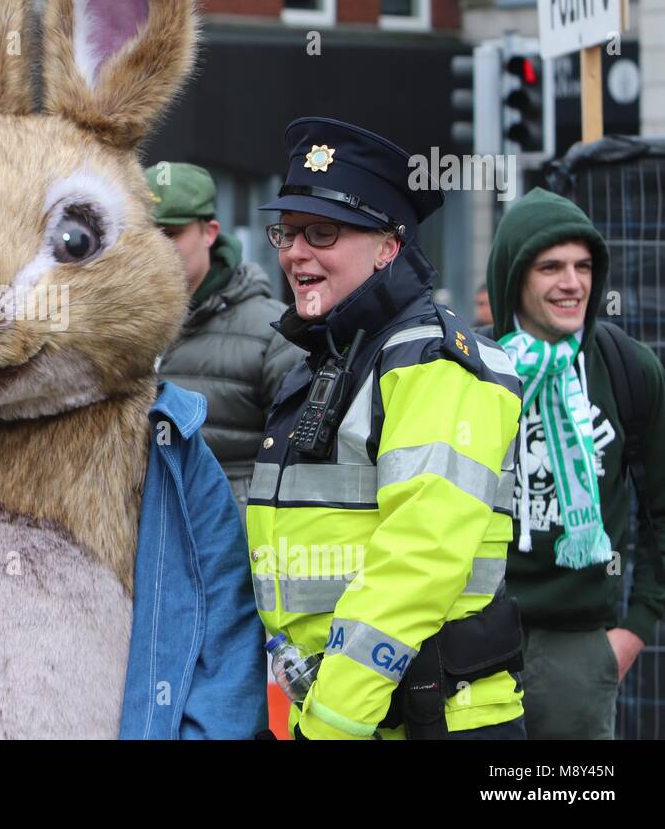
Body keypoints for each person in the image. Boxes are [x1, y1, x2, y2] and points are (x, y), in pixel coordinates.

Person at [248, 118, 526, 739]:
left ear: (387, 247)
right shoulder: (335, 355)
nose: (295, 253)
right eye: (288, 233)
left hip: (425, 721)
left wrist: (330, 720)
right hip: (353, 715)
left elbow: (418, 560)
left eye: (323, 232)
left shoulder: (431, 362)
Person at [484, 189, 665, 740]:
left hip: (581, 649)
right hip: (475, 637)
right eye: (551, 267)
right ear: (515, 276)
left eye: (584, 266)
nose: (573, 283)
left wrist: (634, 630)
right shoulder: (470, 368)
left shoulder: (628, 368)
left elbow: (660, 512)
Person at [150, 163, 304, 511]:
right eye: (145, 232)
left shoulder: (274, 332)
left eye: (171, 233)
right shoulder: (109, 327)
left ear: (210, 232)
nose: (155, 247)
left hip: (228, 552)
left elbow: (300, 470)